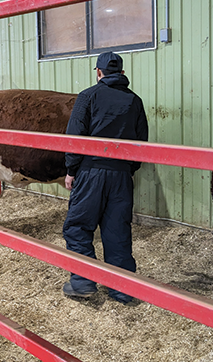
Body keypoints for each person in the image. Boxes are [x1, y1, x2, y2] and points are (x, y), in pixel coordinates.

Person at [61, 52, 148, 304]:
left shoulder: (87, 96)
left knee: (77, 226)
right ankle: (122, 289)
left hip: (90, 172)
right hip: (121, 174)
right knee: (117, 230)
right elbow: (141, 139)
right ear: (121, 74)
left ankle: (83, 282)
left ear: (98, 72)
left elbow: (76, 135)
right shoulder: (134, 101)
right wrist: (129, 169)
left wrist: (71, 170)